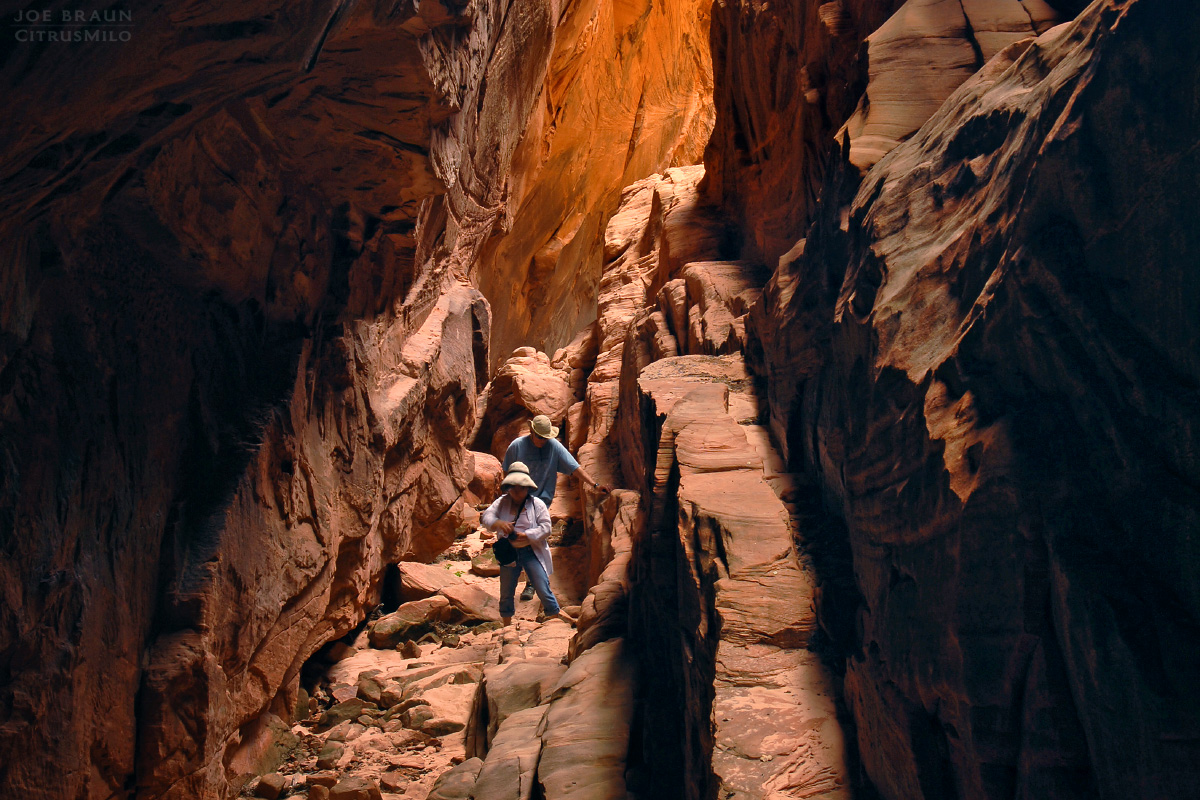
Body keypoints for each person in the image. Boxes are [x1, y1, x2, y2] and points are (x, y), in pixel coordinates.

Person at [503, 414, 609, 599]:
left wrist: (594, 485)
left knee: (533, 538)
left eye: (546, 437)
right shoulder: (517, 446)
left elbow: (574, 468)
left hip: (541, 500)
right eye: (541, 437)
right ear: (532, 432)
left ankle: (532, 583)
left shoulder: (553, 446)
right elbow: (506, 472)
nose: (544, 441)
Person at [481, 462, 575, 627]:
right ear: (509, 486)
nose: (518, 491)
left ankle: (553, 621)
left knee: (542, 586)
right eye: (514, 487)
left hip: (531, 551)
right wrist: (498, 523)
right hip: (509, 552)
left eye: (522, 487)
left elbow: (546, 528)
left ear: (528, 487)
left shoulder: (536, 504)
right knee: (506, 591)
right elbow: (487, 517)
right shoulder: (502, 502)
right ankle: (507, 626)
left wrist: (528, 535)